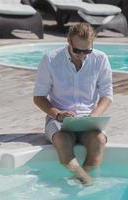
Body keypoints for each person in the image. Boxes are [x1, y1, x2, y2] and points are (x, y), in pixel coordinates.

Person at [33, 23, 113, 185]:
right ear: (69, 41)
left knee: (99, 141)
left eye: (87, 51)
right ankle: (85, 181)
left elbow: (107, 95)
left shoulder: (100, 59)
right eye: (78, 50)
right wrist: (58, 114)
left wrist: (94, 116)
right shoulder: (51, 59)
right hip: (58, 119)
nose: (82, 55)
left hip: (89, 120)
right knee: (63, 140)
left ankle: (81, 182)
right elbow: (39, 97)